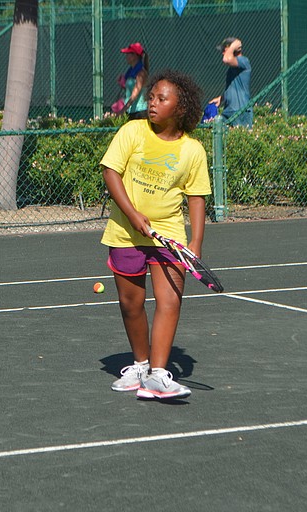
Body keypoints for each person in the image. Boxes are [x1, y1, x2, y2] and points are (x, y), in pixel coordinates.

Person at [100, 69, 212, 400]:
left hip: (169, 235)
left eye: (162, 99)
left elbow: (196, 197)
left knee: (170, 301)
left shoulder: (193, 150)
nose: (152, 103)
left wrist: (195, 242)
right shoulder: (132, 132)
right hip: (125, 234)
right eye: (151, 97)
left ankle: (158, 376)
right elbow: (110, 171)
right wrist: (132, 215)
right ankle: (140, 365)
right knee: (131, 304)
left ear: (181, 107)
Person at [209, 37, 253, 128]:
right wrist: (221, 98)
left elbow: (226, 59)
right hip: (228, 111)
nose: (223, 53)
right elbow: (233, 86)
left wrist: (232, 47)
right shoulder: (231, 68)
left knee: (240, 137)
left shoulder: (244, 61)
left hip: (240, 112)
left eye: (224, 50)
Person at [116, 43, 150, 119]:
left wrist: (123, 110)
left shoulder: (141, 73)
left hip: (140, 112)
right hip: (131, 111)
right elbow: (130, 91)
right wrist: (122, 83)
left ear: (135, 56)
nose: (126, 56)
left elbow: (135, 94)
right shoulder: (130, 71)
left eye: (128, 54)